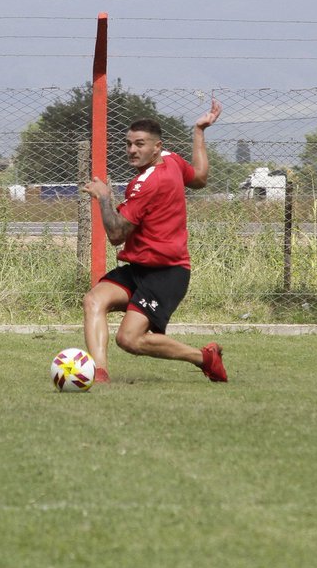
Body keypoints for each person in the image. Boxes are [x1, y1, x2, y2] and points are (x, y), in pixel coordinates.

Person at [82, 98, 227, 383]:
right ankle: (99, 372)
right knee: (93, 300)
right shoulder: (171, 160)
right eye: (128, 144)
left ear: (156, 146)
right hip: (141, 267)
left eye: (140, 144)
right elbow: (199, 177)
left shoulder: (146, 183)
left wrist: (104, 197)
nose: (132, 150)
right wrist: (199, 131)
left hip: (166, 273)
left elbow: (115, 235)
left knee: (129, 340)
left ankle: (204, 358)